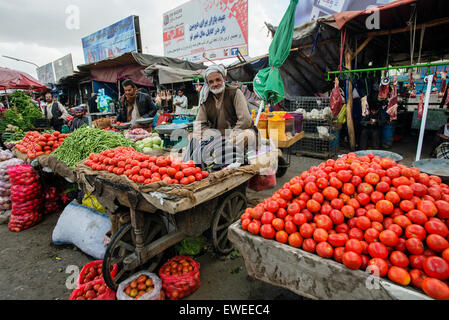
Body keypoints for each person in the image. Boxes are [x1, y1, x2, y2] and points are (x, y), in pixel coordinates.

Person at [193, 65, 256, 147]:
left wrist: (230, 135)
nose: (215, 84)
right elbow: (199, 124)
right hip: (216, 136)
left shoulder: (235, 92)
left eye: (218, 80)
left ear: (224, 79)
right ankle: (219, 148)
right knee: (193, 136)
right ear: (207, 84)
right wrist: (213, 136)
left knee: (248, 135)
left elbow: (245, 120)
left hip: (234, 134)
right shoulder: (206, 98)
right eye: (211, 82)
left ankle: (221, 148)